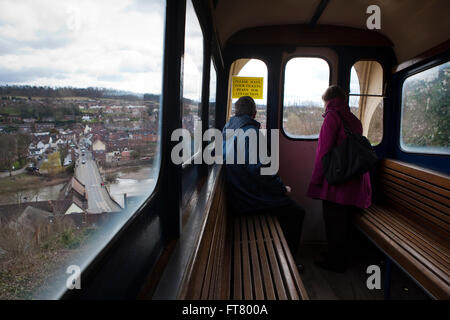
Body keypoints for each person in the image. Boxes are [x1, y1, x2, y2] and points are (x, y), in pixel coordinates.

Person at [222, 96, 305, 262]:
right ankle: (289, 261)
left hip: (238, 195)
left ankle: (277, 255)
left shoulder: (227, 132)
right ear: (253, 114)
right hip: (250, 199)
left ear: (236, 112)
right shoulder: (251, 133)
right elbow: (262, 170)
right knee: (297, 213)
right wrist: (282, 188)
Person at [307, 85, 372, 273]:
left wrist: (317, 181)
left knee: (334, 222)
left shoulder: (331, 118)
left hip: (337, 183)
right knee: (345, 222)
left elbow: (323, 153)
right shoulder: (354, 120)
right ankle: (342, 257)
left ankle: (335, 262)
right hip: (356, 181)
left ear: (328, 101)